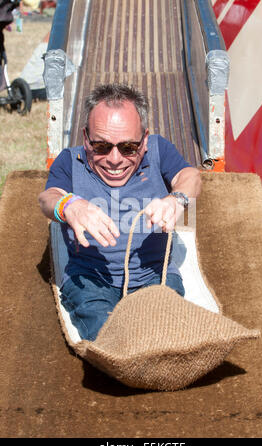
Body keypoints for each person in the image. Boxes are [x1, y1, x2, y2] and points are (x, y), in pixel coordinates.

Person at [39, 83, 201, 341]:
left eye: (128, 147)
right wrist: (70, 205)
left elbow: (190, 175)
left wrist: (176, 199)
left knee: (168, 335)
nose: (114, 159)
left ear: (144, 140)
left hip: (155, 276)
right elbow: (48, 198)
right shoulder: (70, 160)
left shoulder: (159, 150)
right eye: (101, 146)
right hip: (89, 280)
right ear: (85, 138)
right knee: (108, 340)